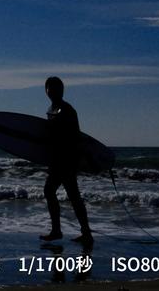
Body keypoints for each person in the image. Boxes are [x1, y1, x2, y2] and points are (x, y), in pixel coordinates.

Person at [41, 76, 93, 247]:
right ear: (46, 91)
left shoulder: (67, 110)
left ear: (62, 91)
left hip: (67, 160)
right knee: (51, 191)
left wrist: (79, 159)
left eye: (57, 88)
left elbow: (75, 136)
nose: (53, 91)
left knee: (71, 195)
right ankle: (61, 230)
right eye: (50, 88)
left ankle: (84, 233)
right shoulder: (51, 109)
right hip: (56, 160)